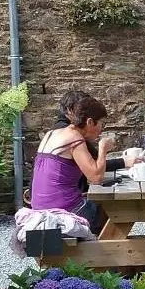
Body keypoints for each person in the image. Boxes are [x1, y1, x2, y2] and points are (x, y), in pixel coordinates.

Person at [31, 96, 113, 235]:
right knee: (113, 207)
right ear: (89, 121)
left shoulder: (52, 133)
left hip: (39, 208)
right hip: (62, 212)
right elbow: (96, 177)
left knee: (97, 202)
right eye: (101, 124)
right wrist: (103, 150)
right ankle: (102, 251)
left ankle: (100, 246)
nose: (101, 129)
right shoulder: (75, 139)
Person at [53, 91, 138, 191]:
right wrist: (122, 161)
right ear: (69, 110)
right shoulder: (70, 134)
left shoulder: (56, 131)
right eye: (82, 108)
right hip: (63, 199)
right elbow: (96, 174)